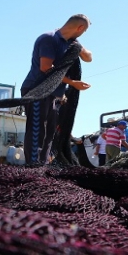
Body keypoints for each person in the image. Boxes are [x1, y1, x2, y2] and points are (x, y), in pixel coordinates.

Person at [21, 14, 93, 164]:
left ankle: (43, 164)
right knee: (37, 129)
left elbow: (88, 58)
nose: (83, 34)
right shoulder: (49, 39)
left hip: (53, 93)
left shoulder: (71, 43)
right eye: (84, 31)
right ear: (80, 28)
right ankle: (33, 166)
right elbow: (46, 68)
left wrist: (77, 45)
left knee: (50, 132)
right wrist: (72, 83)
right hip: (37, 90)